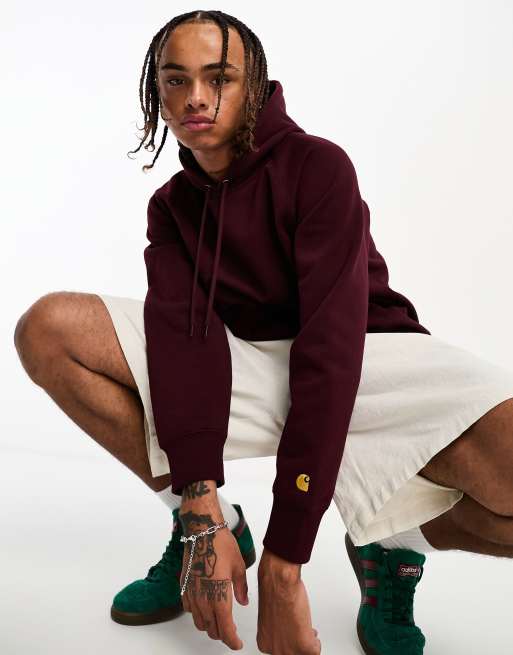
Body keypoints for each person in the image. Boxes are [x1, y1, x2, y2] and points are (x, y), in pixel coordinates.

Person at [13, 9, 513, 655]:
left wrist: (285, 563)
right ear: (156, 93)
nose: (195, 96)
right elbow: (184, 342)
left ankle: (391, 542)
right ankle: (207, 529)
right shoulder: (172, 207)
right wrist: (200, 508)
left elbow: (329, 350)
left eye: (218, 77)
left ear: (253, 87)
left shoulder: (317, 166)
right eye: (175, 79)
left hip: (373, 358)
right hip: (249, 363)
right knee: (50, 328)